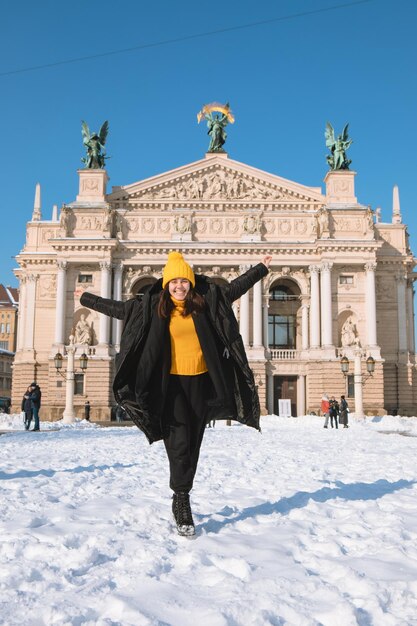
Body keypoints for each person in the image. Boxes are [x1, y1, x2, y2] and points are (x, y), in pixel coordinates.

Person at [80, 251, 271, 536]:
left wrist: (260, 268)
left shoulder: (207, 301)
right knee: (179, 440)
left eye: (184, 281)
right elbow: (120, 309)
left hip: (203, 383)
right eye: (174, 281)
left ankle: (181, 490)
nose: (179, 286)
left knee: (193, 441)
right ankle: (181, 499)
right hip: (169, 384)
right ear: (166, 284)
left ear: (191, 283)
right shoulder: (152, 306)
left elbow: (234, 288)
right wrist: (86, 298)